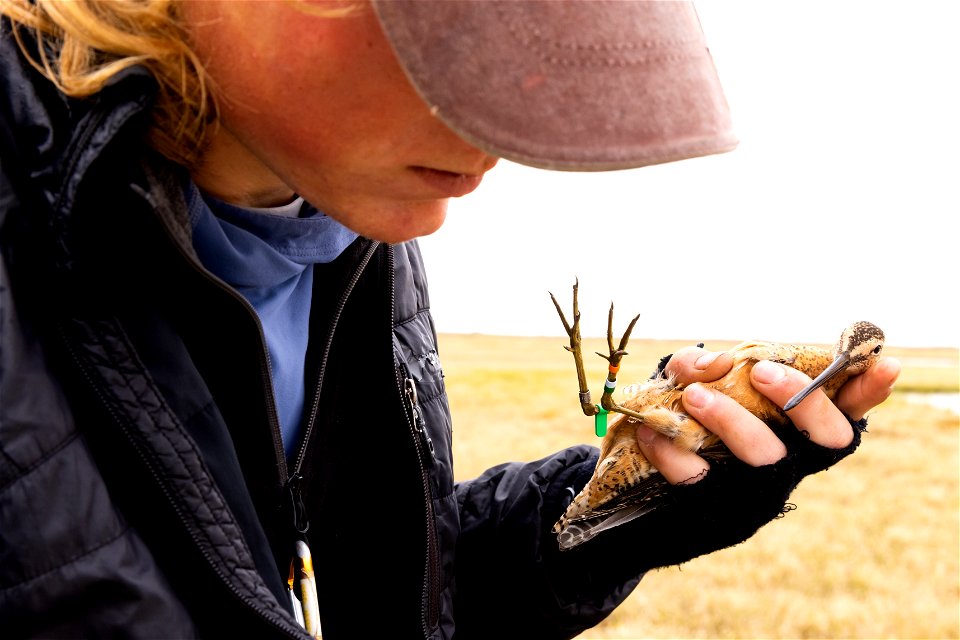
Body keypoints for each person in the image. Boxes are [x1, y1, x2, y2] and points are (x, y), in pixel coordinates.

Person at [0, 1, 900, 638]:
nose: (504, 134)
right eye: (458, 45)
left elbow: (345, 597)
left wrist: (607, 514)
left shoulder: (354, 222)